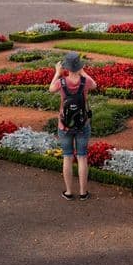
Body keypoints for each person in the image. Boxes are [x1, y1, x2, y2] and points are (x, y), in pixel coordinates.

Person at [49, 51, 97, 200]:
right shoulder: (85, 81)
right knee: (82, 157)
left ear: (66, 67)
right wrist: (83, 72)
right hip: (83, 124)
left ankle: (69, 192)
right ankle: (83, 193)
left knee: (67, 157)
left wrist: (57, 73)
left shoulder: (61, 82)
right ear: (79, 66)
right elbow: (95, 85)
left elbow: (51, 89)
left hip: (64, 125)